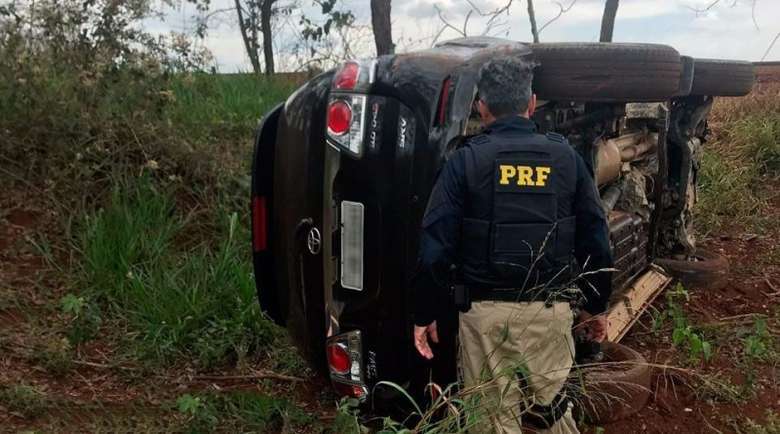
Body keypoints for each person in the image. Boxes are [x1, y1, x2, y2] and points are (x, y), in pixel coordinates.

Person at [411, 57, 613, 433]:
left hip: (483, 319)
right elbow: (595, 238)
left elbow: (434, 246)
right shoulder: (566, 158)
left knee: (491, 421)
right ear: (531, 103)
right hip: (549, 314)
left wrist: (425, 312)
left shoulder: (464, 161)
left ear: (481, 106)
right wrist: (596, 306)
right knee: (556, 418)